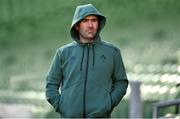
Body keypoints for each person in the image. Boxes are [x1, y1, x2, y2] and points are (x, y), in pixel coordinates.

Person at [45, 4, 129, 118]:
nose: (90, 25)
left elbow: (121, 82)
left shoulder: (112, 52)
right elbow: (51, 84)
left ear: (98, 23)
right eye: (85, 21)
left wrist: (108, 103)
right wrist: (62, 106)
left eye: (94, 20)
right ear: (77, 26)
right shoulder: (63, 53)